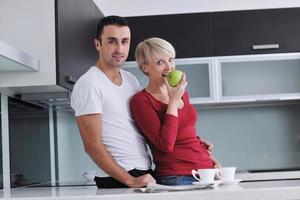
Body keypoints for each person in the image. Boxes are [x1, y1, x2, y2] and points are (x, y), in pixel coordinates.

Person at [70, 16, 156, 188]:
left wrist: (195, 143)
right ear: (98, 44)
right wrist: (130, 180)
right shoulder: (89, 83)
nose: (119, 48)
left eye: (125, 41)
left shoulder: (131, 80)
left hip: (144, 172)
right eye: (112, 41)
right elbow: (92, 145)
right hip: (118, 178)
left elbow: (148, 126)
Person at [130, 37, 221, 185]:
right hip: (176, 176)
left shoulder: (182, 93)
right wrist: (172, 101)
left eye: (171, 60)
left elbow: (182, 132)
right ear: (145, 67)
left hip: (206, 171)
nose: (169, 68)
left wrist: (207, 156)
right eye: (160, 62)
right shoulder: (141, 101)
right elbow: (165, 144)